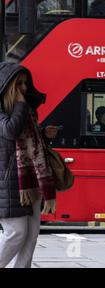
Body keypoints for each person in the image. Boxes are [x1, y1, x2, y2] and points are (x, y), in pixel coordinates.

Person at [0, 62, 58, 268]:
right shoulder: (8, 110)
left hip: (31, 181)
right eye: (19, 84)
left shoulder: (26, 111)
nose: (24, 88)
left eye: (26, 83)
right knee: (16, 232)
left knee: (31, 236)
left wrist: (43, 135)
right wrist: (20, 104)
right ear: (8, 85)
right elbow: (10, 131)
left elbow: (28, 143)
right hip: (9, 182)